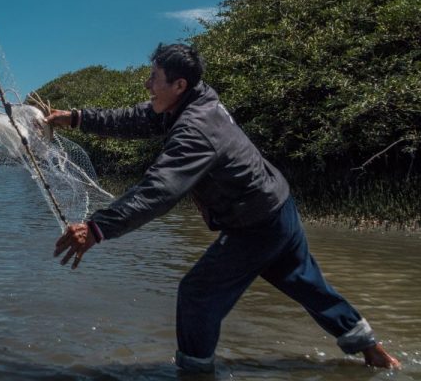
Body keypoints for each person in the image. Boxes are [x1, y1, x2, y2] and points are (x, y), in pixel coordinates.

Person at [49, 43, 401, 373]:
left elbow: (160, 189)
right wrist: (76, 118)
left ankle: (195, 373)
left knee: (197, 294)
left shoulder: (196, 129)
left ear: (179, 85)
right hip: (277, 207)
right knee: (303, 282)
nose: (147, 85)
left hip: (256, 223)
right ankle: (372, 351)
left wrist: (97, 228)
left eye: (154, 78)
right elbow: (136, 118)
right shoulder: (195, 99)